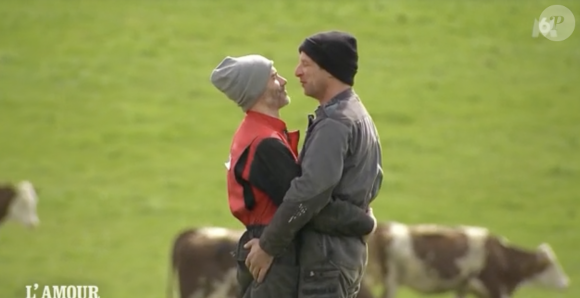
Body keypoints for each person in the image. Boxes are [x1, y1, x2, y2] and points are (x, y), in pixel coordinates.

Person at [209, 54, 377, 298]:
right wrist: (362, 222)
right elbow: (306, 205)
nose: (285, 80)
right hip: (278, 259)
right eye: (274, 77)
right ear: (256, 89)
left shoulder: (255, 134)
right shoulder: (265, 144)